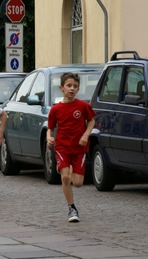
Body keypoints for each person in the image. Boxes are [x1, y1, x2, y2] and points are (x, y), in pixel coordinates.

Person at [46, 72, 96, 223]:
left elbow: (92, 121)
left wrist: (86, 135)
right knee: (66, 178)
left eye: (75, 86)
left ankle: (65, 168)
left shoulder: (83, 106)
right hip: (62, 147)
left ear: (78, 89)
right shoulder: (55, 109)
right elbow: (51, 127)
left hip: (79, 148)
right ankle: (72, 208)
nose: (72, 89)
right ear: (62, 88)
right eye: (69, 86)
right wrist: (49, 137)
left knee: (79, 183)